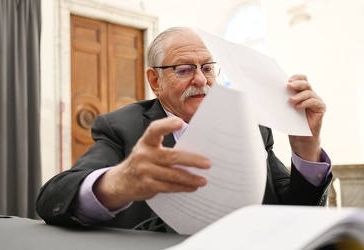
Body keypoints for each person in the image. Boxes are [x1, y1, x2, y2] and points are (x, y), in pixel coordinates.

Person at [36, 26, 332, 232]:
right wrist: (120, 182)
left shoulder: (254, 129)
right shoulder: (122, 127)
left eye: (206, 68)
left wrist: (307, 148)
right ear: (155, 81)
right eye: (184, 69)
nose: (201, 81)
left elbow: (291, 209)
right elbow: (52, 197)